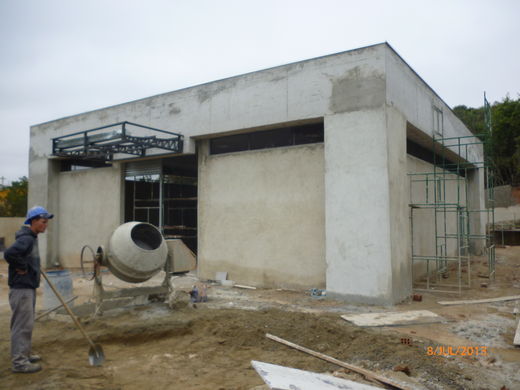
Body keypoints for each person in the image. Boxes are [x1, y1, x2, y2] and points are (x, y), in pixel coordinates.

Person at [4, 206, 54, 373]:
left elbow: (23, 255)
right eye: (43, 221)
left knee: (26, 324)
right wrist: (23, 266)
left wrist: (33, 266)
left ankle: (24, 353)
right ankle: (19, 362)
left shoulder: (32, 237)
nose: (46, 225)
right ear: (33, 221)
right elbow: (10, 254)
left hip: (27, 287)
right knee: (22, 325)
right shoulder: (27, 239)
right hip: (22, 288)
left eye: (46, 222)